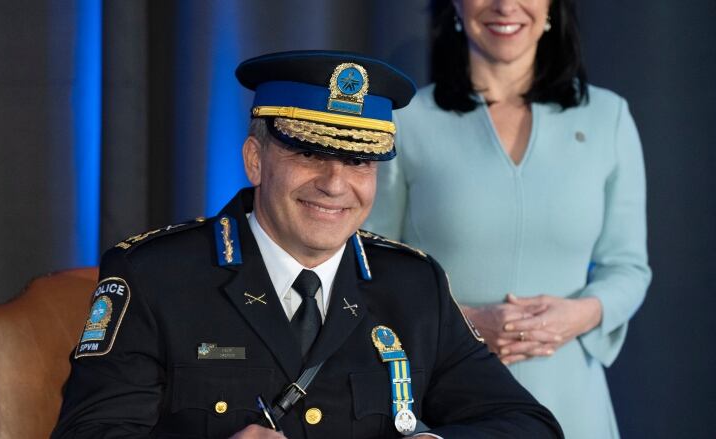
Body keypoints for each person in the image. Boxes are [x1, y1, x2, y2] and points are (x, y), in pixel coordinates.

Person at [52, 51, 562, 439]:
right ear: (255, 160)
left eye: (359, 161)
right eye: (310, 153)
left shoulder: (412, 284)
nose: (336, 184)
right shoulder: (155, 276)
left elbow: (527, 424)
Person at [364, 1, 651, 438]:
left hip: (574, 402)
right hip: (450, 400)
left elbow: (628, 267)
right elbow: (373, 267)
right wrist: (465, 325)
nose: (504, 5)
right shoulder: (406, 120)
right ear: (455, 7)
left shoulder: (607, 117)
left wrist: (579, 314)